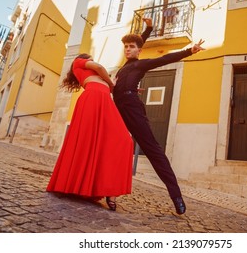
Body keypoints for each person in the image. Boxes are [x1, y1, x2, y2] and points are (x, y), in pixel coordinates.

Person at [113, 24, 205, 214]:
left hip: (132, 108)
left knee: (153, 151)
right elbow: (140, 43)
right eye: (126, 47)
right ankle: (108, 190)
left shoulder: (141, 63)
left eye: (131, 47)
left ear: (139, 50)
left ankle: (176, 196)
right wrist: (147, 30)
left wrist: (190, 51)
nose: (128, 49)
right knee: (112, 148)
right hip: (116, 109)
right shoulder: (124, 67)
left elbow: (165, 58)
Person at [46, 53, 133, 211]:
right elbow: (99, 67)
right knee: (88, 142)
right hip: (93, 98)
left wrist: (124, 88)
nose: (92, 61)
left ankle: (110, 189)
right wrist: (110, 83)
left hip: (105, 101)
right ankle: (80, 186)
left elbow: (107, 81)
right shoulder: (79, 62)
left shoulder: (96, 75)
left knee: (124, 141)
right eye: (90, 59)